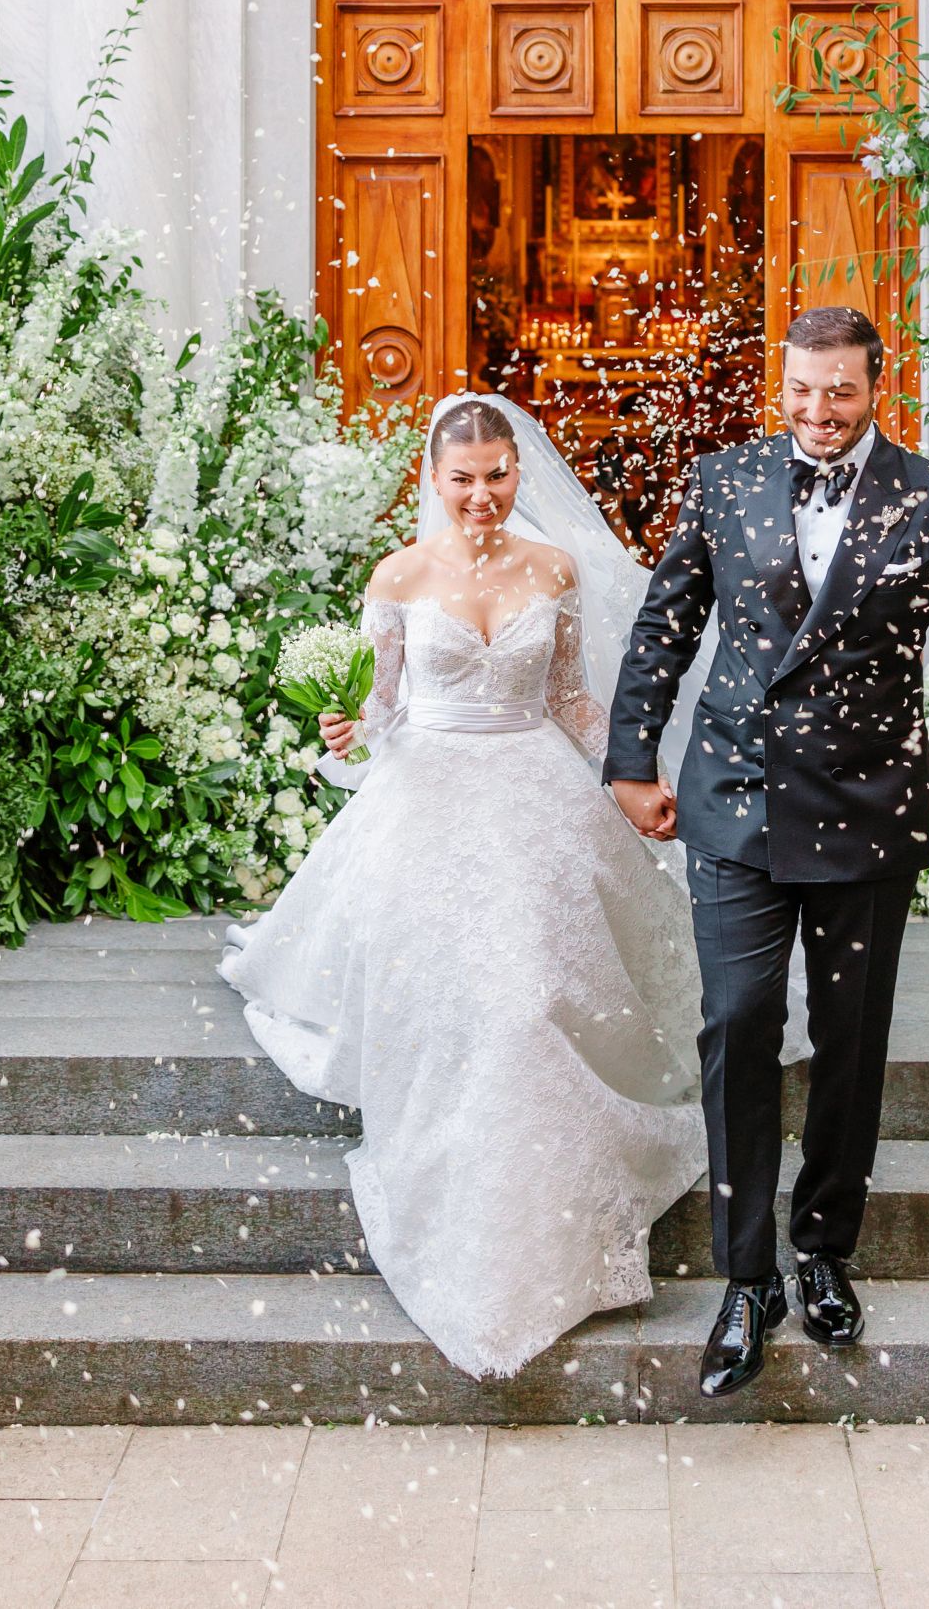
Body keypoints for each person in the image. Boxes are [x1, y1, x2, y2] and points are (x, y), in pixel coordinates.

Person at [604, 303, 929, 1398]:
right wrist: (630, 757)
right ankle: (745, 1274)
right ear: (784, 381)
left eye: (838, 391)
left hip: (866, 807)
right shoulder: (726, 479)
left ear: (875, 385)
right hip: (737, 800)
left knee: (849, 1040)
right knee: (739, 1020)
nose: (816, 411)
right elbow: (665, 622)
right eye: (801, 390)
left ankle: (825, 1246)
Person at [220, 395, 708, 1379]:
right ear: (432, 483)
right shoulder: (398, 575)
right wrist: (352, 727)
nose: (482, 495)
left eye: (498, 475)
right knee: (464, 999)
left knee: (529, 1000)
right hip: (430, 792)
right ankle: (470, 1216)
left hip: (534, 790)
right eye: (463, 479)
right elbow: (384, 700)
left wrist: (632, 772)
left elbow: (570, 693)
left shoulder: (554, 569)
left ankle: (555, 1226)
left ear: (515, 474)